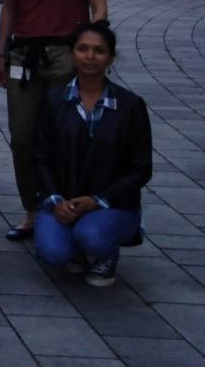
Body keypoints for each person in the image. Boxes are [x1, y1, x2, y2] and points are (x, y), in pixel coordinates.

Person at [0, 0, 108, 241]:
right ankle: (33, 210)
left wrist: (91, 52)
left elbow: (99, 6)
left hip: (66, 55)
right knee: (22, 137)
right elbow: (9, 8)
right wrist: (1, 53)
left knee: (67, 135)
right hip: (23, 55)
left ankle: (71, 207)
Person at [33, 21, 151, 287]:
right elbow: (40, 156)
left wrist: (98, 200)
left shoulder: (130, 105)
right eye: (83, 48)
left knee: (93, 236)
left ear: (111, 57)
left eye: (99, 50)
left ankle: (105, 252)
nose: (90, 56)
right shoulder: (54, 100)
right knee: (53, 253)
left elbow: (141, 168)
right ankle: (75, 247)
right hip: (63, 200)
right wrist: (55, 200)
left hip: (111, 203)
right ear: (72, 53)